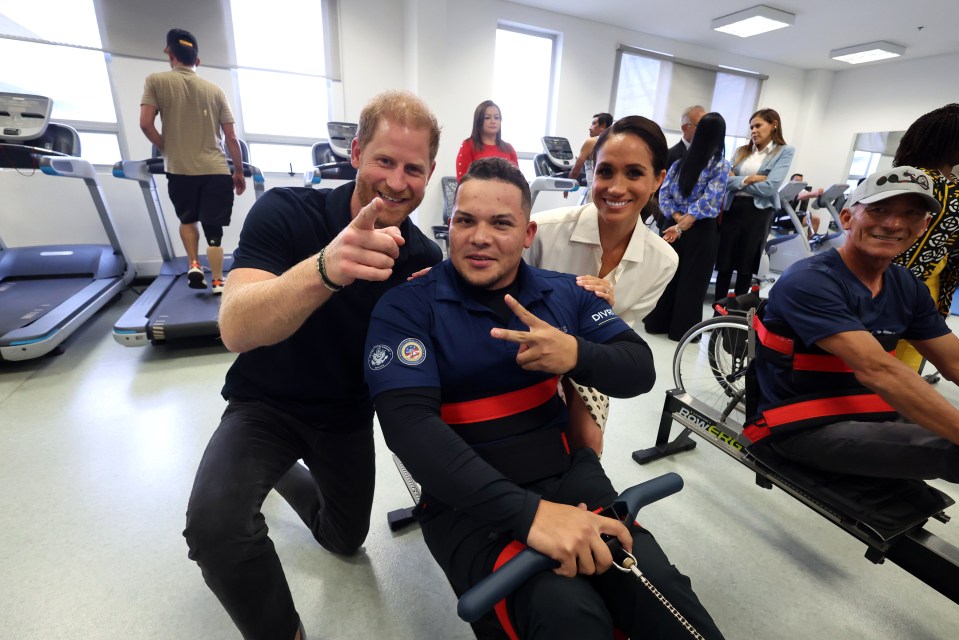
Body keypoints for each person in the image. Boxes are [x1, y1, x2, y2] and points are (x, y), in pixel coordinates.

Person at [366, 157, 726, 640]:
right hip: (465, 501)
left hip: (568, 477)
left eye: (501, 223)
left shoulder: (565, 294)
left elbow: (638, 368)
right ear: (449, 224)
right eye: (465, 221)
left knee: (657, 587)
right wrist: (529, 515)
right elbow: (409, 430)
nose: (479, 237)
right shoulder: (407, 306)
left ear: (528, 233)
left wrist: (576, 352)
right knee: (565, 614)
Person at [182, 90, 443, 640]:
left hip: (345, 416)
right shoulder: (285, 210)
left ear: (431, 174)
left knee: (343, 540)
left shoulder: (422, 258)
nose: (397, 181)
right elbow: (235, 327)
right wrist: (328, 266)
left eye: (413, 168)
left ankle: (279, 471)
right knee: (216, 526)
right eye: (384, 161)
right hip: (264, 405)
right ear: (355, 155)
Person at [747, 166, 959, 483]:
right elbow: (878, 370)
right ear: (847, 218)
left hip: (866, 407)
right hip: (799, 421)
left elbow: (953, 360)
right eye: (879, 210)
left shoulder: (906, 286)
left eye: (911, 213)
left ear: (923, 226)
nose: (894, 223)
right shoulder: (809, 280)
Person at [525, 116, 679, 453]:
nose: (616, 187)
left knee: (587, 443)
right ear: (592, 172)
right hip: (520, 351)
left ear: (658, 180)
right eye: (606, 171)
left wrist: (602, 313)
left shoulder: (662, 261)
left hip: (587, 360)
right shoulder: (543, 231)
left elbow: (616, 346)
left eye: (634, 173)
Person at [140, 28, 246, 294]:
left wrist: (167, 148)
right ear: (197, 61)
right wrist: (239, 172)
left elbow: (145, 124)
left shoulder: (156, 81)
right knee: (214, 226)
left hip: (179, 170)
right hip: (215, 170)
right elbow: (231, 138)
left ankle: (194, 263)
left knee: (188, 220)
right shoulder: (215, 90)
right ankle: (219, 280)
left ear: (170, 55)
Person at [644, 112, 731, 341]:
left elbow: (663, 194)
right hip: (700, 230)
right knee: (693, 281)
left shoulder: (679, 164)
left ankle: (657, 322)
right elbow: (710, 202)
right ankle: (682, 331)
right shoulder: (720, 165)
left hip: (673, 226)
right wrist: (685, 223)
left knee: (669, 276)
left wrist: (677, 218)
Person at [891, 104, 959, 371]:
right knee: (902, 353)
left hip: (919, 280)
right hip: (910, 281)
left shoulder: (908, 178)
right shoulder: (936, 184)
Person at [714, 108, 794, 300]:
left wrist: (738, 181)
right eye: (751, 127)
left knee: (745, 267)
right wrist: (750, 179)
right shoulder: (742, 151)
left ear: (774, 124)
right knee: (724, 265)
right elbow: (724, 181)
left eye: (758, 125)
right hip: (733, 210)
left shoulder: (784, 151)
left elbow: (769, 187)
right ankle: (718, 313)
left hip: (757, 213)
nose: (754, 131)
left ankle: (736, 314)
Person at [455, 100, 519, 181]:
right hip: (477, 193)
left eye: (496, 117)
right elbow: (463, 181)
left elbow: (517, 181)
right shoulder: (468, 145)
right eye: (487, 118)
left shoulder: (508, 148)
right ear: (479, 121)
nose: (493, 121)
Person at [564, 111, 612, 197]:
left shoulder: (591, 141)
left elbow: (576, 169)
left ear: (603, 126)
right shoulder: (613, 142)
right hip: (609, 191)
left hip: (594, 190)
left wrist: (567, 186)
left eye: (593, 124)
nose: (590, 128)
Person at [666, 105, 706, 172]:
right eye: (700, 125)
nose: (705, 129)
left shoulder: (711, 156)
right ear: (685, 128)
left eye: (707, 125)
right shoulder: (670, 155)